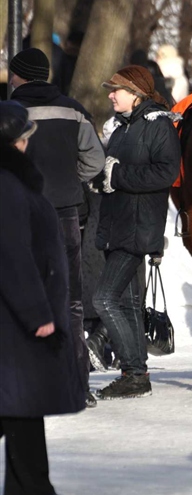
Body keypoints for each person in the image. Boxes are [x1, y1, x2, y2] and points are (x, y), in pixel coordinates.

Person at [10, 47, 105, 408]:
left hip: (22, 214)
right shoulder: (73, 110)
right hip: (65, 214)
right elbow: (94, 160)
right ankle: (77, 384)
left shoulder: (11, 113)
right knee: (71, 301)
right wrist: (70, 181)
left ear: (18, 76)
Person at [0, 101, 84, 495]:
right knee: (18, 406)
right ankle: (32, 489)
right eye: (24, 138)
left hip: (14, 319)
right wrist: (38, 315)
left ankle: (27, 487)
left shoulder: (12, 183)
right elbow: (13, 257)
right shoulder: (7, 187)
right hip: (15, 321)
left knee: (19, 408)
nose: (27, 145)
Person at [89, 65, 181, 400]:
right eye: (110, 89)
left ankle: (135, 372)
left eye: (117, 90)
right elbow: (113, 174)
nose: (111, 95)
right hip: (117, 225)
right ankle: (134, 373)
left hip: (137, 228)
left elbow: (165, 174)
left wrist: (118, 176)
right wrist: (100, 181)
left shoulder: (159, 126)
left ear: (136, 93)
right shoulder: (121, 128)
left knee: (104, 298)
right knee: (126, 303)